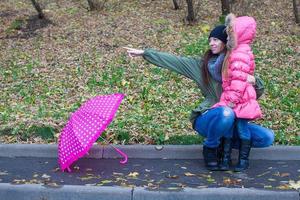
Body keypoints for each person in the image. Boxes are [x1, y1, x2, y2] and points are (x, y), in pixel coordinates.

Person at [123, 16, 274, 171]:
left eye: (215, 40)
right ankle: (210, 146)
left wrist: (254, 80)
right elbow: (175, 61)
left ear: (226, 41)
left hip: (234, 118)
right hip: (208, 117)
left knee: (266, 138)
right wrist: (145, 53)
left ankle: (224, 144)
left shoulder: (237, 62)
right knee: (226, 113)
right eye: (210, 40)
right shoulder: (202, 66)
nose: (211, 43)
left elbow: (256, 91)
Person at [212, 14, 262, 171]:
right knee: (229, 128)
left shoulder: (239, 53)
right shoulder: (238, 50)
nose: (227, 37)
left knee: (241, 128)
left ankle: (243, 160)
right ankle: (226, 159)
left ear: (238, 33)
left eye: (230, 33)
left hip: (240, 98)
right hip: (234, 95)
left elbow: (239, 80)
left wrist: (230, 101)